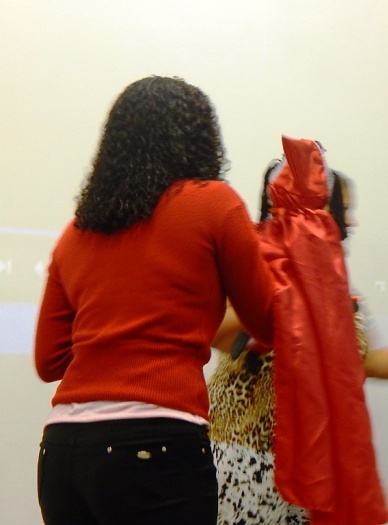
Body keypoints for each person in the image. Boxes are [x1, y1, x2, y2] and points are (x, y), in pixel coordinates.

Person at [207, 138, 388, 525]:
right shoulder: (254, 263)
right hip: (245, 456)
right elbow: (216, 333)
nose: (351, 221)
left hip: (314, 460)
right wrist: (286, 283)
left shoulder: (337, 286)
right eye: (344, 209)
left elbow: (368, 360)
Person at [33, 76, 276, 525]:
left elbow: (49, 362)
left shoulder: (76, 232)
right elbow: (267, 322)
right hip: (156, 445)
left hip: (63, 452)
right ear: (200, 139)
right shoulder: (214, 204)